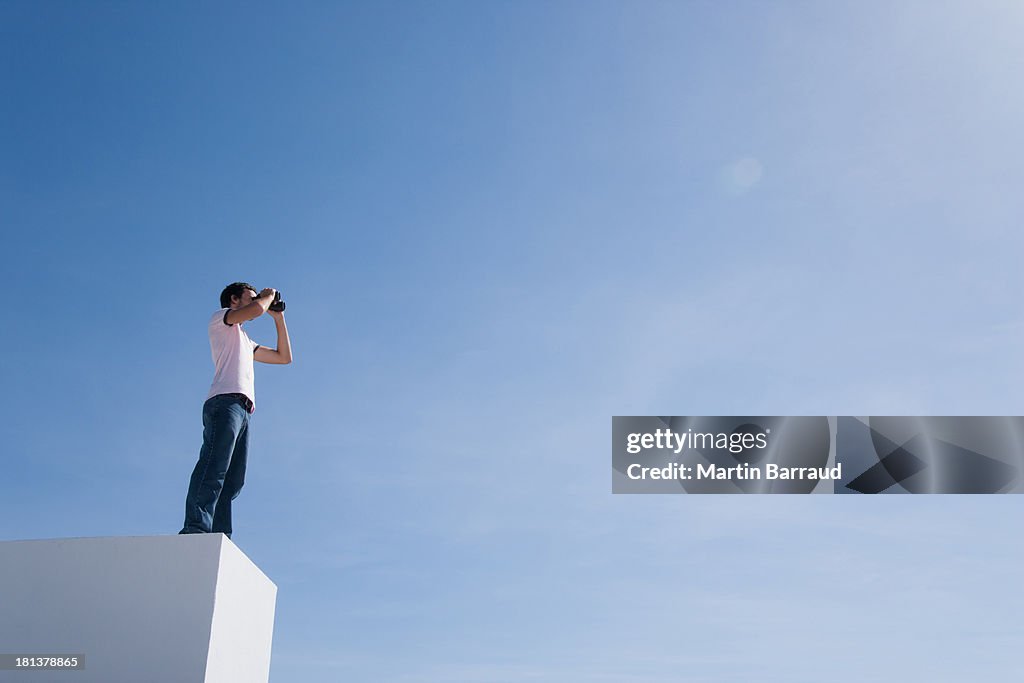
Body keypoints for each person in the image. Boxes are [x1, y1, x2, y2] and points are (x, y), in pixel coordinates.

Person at [179, 282, 292, 539]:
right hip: (224, 402)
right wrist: (266, 297)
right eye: (250, 297)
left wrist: (279, 318)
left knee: (232, 480)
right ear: (234, 300)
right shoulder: (221, 320)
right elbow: (255, 311)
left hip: (243, 410)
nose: (257, 301)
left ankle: (219, 535)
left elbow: (284, 357)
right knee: (213, 466)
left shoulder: (245, 340)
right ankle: (195, 528)